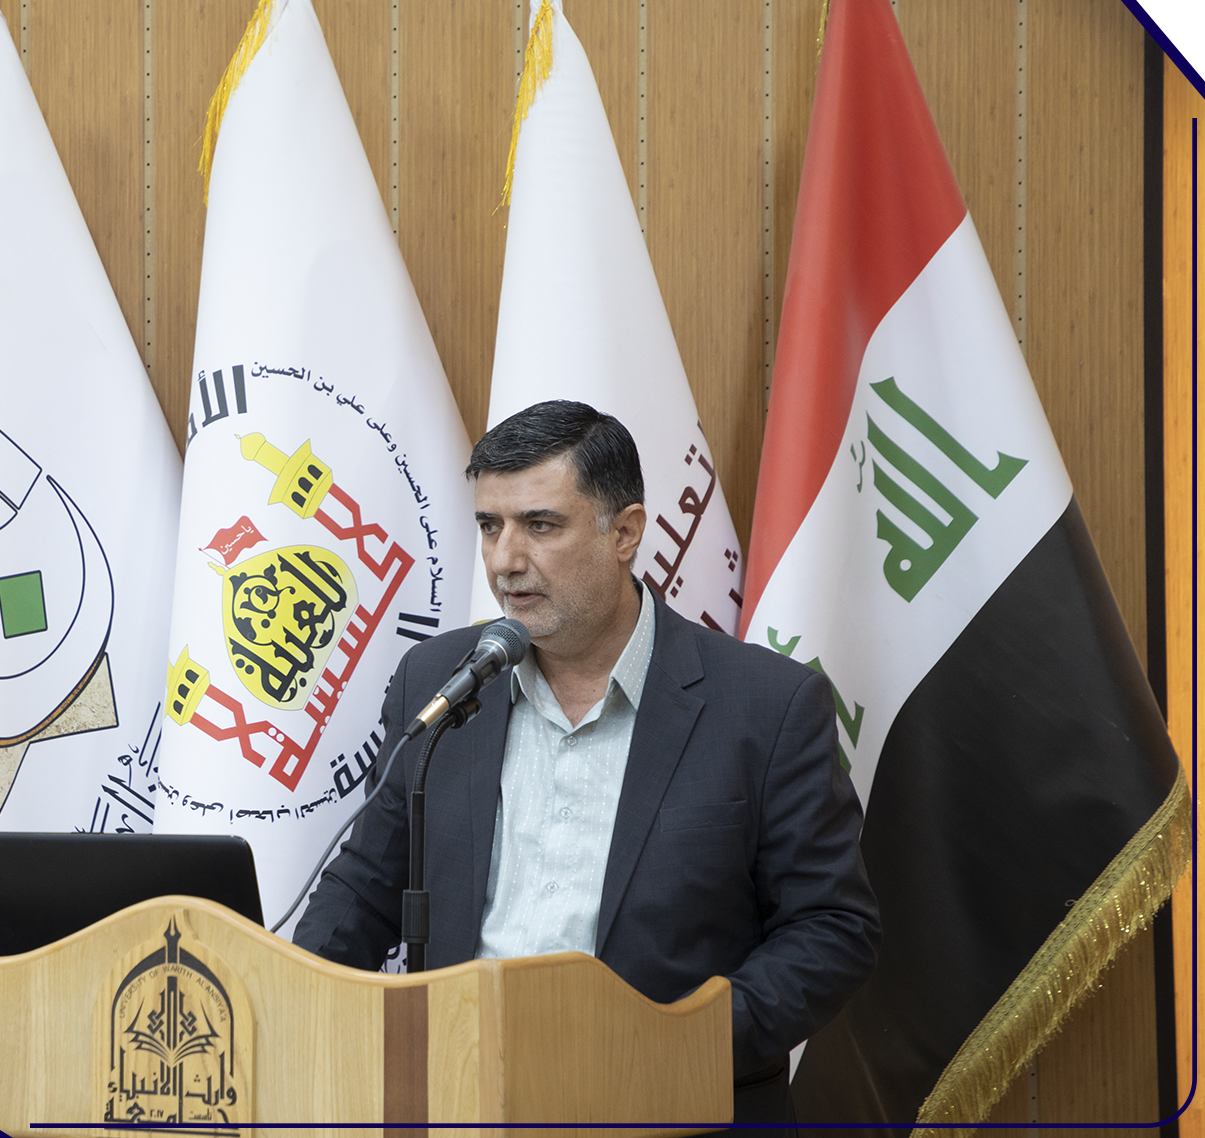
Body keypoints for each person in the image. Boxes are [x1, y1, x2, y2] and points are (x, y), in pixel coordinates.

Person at [293, 400, 879, 1125]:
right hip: (458, 1099)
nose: (506, 560)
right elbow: (364, 891)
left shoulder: (765, 705)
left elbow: (831, 928)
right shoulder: (439, 681)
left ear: (624, 532)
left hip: (669, 1109)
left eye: (540, 525)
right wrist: (295, 1012)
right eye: (490, 526)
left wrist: (675, 1045)